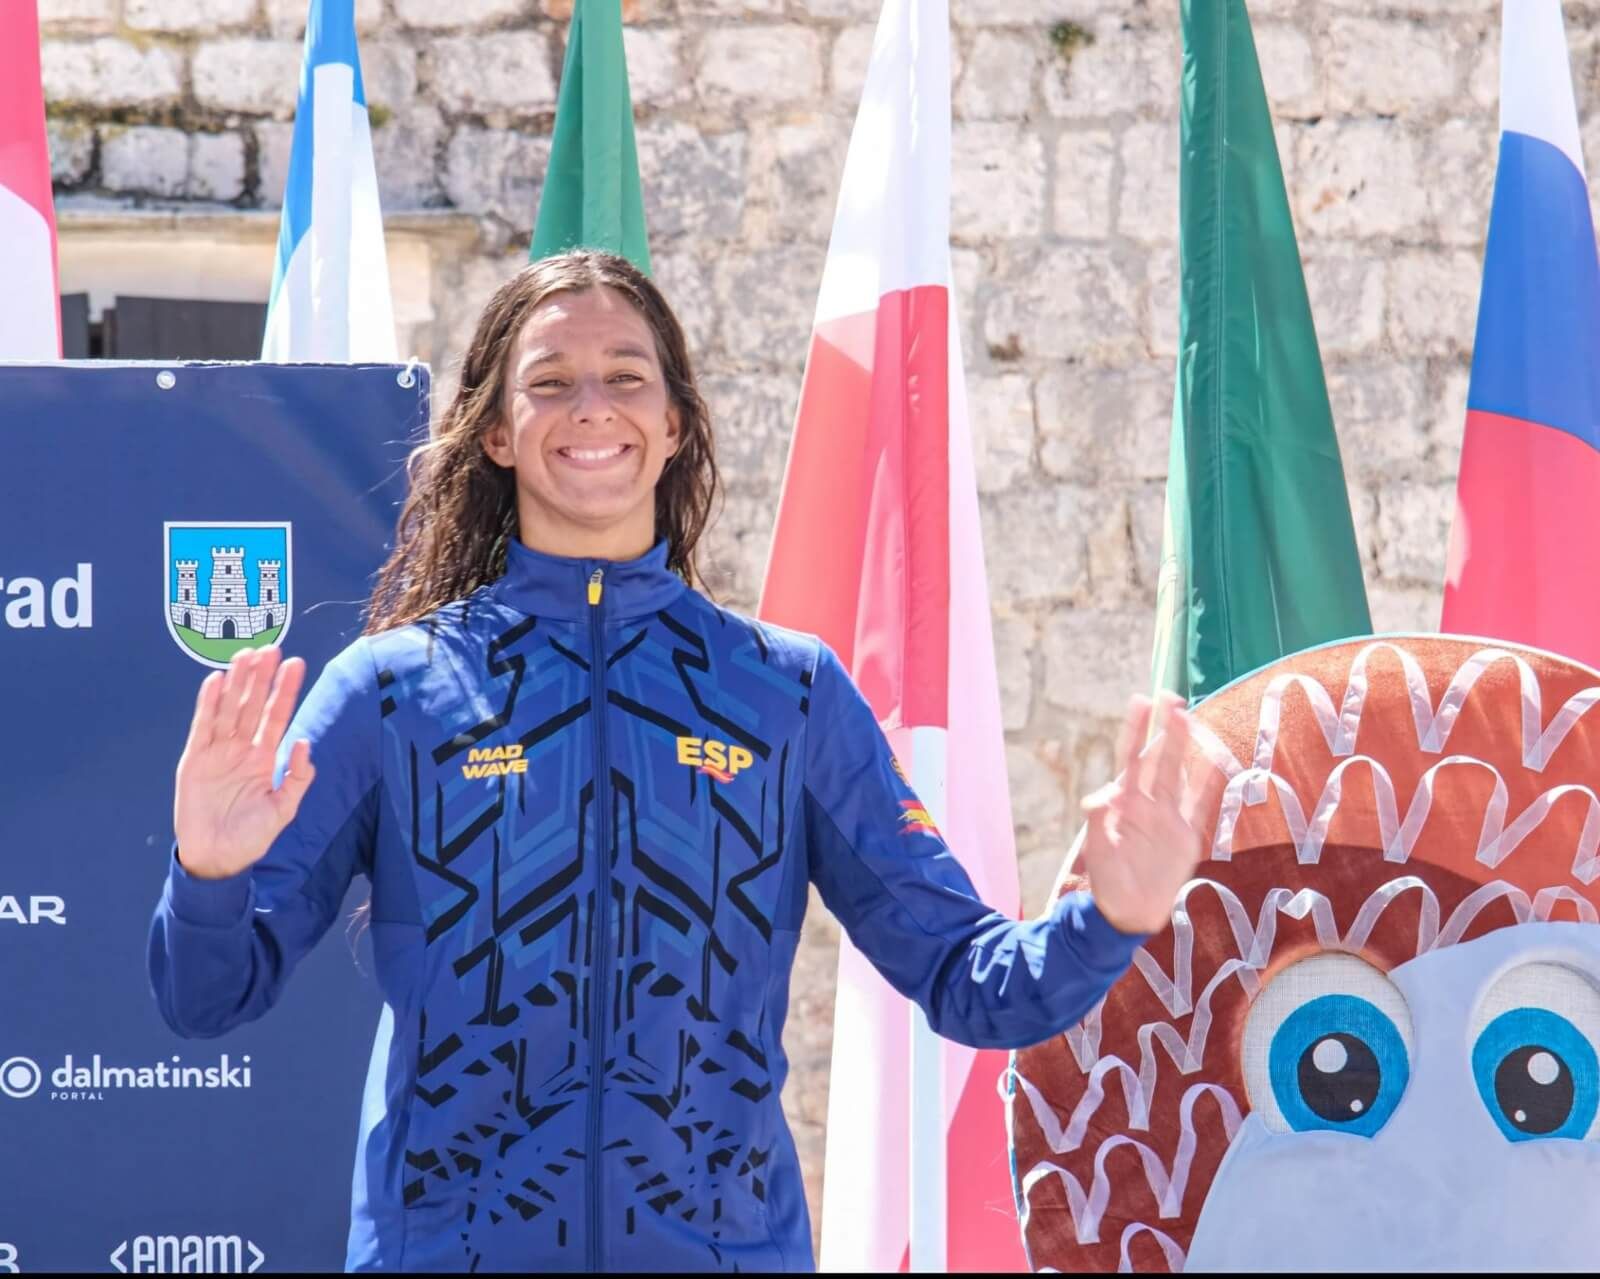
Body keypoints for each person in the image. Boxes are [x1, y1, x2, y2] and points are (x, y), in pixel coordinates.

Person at [148, 250, 1202, 1274]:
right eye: (549, 382)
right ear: (498, 432)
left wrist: (1107, 917)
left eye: (625, 378)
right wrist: (208, 874)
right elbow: (206, 997)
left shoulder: (786, 691)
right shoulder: (391, 692)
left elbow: (972, 982)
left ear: (674, 424)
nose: (591, 407)